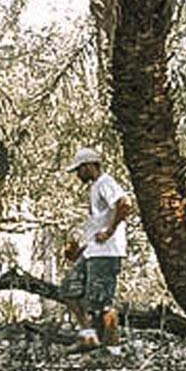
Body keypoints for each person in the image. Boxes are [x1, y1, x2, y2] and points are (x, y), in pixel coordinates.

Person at [59, 146, 131, 352]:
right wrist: (79, 250)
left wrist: (109, 232)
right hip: (93, 251)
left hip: (106, 252)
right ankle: (88, 336)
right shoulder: (95, 187)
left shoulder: (106, 183)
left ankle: (113, 350)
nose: (78, 175)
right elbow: (96, 225)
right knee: (68, 289)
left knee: (102, 304)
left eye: (79, 170)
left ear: (90, 166)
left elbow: (124, 204)